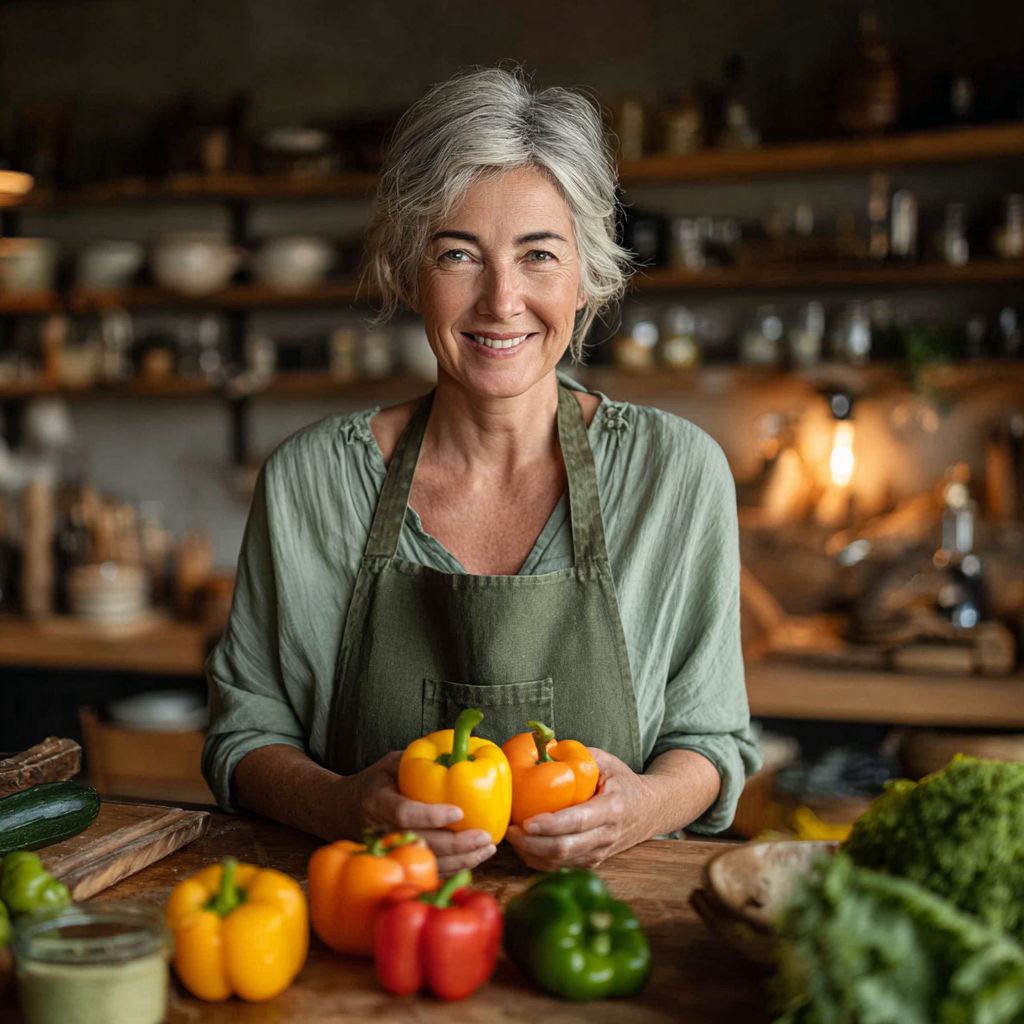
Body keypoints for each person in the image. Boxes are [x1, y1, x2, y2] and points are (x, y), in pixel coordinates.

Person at [203, 67, 760, 876]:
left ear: (587, 275)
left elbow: (711, 741)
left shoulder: (676, 475)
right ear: (408, 273)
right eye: (459, 254)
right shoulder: (311, 482)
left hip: (608, 929)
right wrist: (341, 805)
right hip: (373, 930)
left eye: (539, 254)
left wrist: (642, 806)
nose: (502, 300)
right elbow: (243, 736)